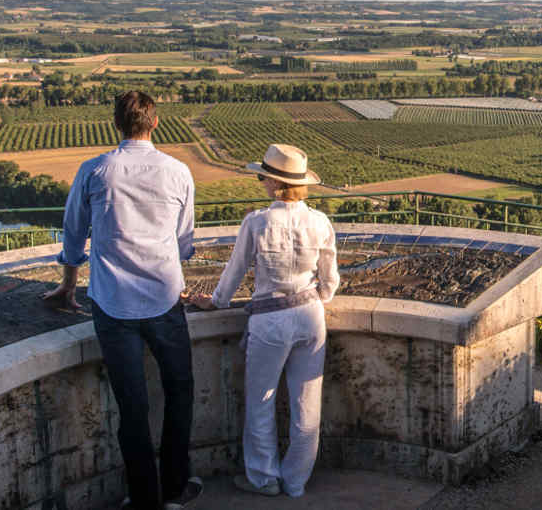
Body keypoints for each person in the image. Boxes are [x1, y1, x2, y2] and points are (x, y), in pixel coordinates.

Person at [42, 91, 202, 510]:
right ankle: (176, 484)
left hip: (112, 304)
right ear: (154, 122)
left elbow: (74, 233)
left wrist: (68, 282)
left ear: (117, 123)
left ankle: (144, 498)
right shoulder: (178, 171)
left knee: (132, 407)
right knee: (180, 390)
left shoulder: (95, 170)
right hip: (165, 299)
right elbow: (184, 241)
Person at [191, 143, 339, 498]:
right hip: (310, 316)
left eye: (263, 178)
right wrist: (318, 299)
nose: (261, 183)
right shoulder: (320, 221)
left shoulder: (257, 222)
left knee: (261, 402)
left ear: (274, 183)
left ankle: (263, 478)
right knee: (308, 407)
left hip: (269, 321)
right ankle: (296, 481)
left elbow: (235, 271)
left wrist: (215, 302)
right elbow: (330, 281)